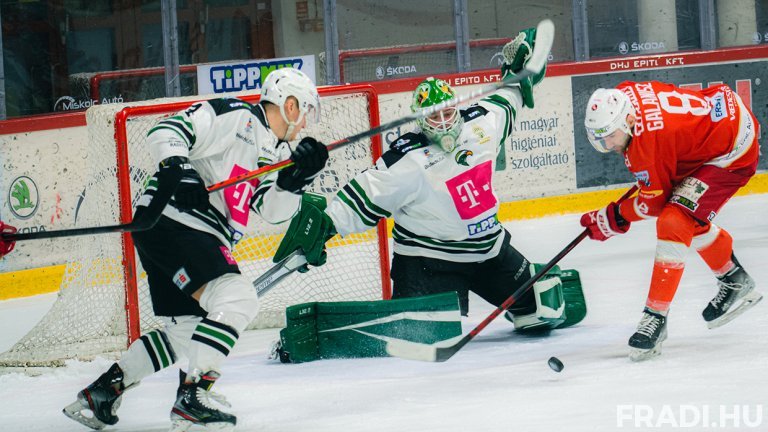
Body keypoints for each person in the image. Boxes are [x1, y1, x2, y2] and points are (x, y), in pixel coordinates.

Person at [63, 68, 329, 431]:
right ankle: (193, 395)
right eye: (306, 111)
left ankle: (104, 391)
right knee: (238, 298)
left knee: (186, 333)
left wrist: (298, 178)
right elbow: (167, 131)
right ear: (290, 105)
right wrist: (181, 169)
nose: (306, 123)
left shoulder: (275, 151)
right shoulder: (236, 115)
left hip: (173, 231)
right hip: (178, 220)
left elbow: (271, 210)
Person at [275, 27, 586, 334]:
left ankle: (525, 294)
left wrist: (521, 71)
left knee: (542, 310)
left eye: (447, 113)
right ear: (420, 120)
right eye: (434, 117)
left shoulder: (484, 124)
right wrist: (323, 226)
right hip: (428, 261)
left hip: (489, 251)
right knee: (419, 335)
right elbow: (364, 196)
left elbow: (510, 94)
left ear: (456, 108)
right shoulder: (407, 160)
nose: (443, 123)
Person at [580, 81, 763, 361]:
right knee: (686, 208)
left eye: (611, 136)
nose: (608, 144)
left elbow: (652, 204)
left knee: (674, 220)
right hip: (718, 117)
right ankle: (733, 278)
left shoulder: (647, 146)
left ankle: (655, 316)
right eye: (601, 138)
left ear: (628, 120)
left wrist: (613, 218)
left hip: (733, 150)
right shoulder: (623, 95)